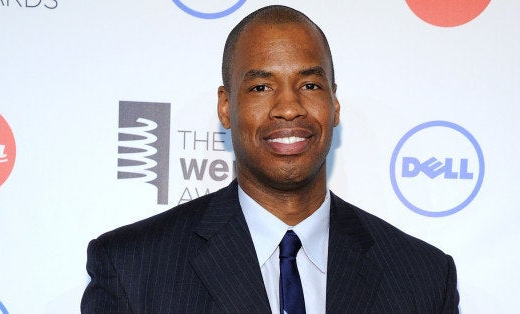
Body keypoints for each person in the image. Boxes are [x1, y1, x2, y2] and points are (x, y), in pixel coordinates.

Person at [81, 5, 459, 313]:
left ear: (334, 103)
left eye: (309, 85)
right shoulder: (133, 268)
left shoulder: (423, 278)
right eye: (261, 87)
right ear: (226, 107)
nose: (289, 108)